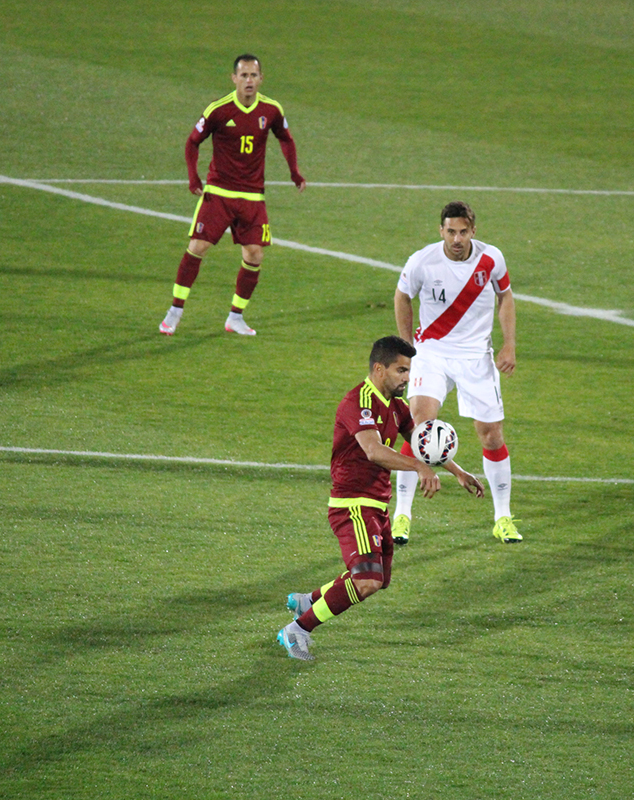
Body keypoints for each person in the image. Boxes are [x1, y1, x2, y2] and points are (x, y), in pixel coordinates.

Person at [277, 337, 484, 661]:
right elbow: (373, 451)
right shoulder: (358, 402)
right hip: (353, 506)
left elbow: (421, 441)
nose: (407, 377)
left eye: (409, 371)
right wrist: (418, 468)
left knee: (380, 578)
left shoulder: (396, 407)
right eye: (401, 370)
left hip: (376, 506)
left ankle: (310, 600)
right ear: (379, 368)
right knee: (367, 581)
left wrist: (457, 470)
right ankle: (298, 629)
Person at [390, 201, 519, 544]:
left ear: (473, 231)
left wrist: (509, 345)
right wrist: (407, 350)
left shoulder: (491, 259)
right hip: (431, 353)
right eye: (451, 231)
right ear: (441, 231)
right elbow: (401, 297)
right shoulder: (422, 261)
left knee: (491, 434)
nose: (457, 238)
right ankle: (401, 515)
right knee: (418, 425)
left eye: (463, 232)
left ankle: (502, 517)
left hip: (476, 355)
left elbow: (505, 297)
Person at [159, 54, 306, 337]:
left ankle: (235, 317)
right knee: (198, 246)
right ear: (234, 79)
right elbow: (193, 142)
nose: (249, 81)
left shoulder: (271, 110)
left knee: (254, 254)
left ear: (261, 79)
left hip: (252, 196)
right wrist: (194, 176)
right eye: (244, 75)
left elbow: (286, 139)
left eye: (253, 75)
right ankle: (175, 311)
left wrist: (294, 172)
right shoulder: (219, 110)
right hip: (219, 193)